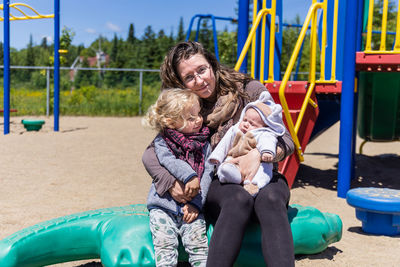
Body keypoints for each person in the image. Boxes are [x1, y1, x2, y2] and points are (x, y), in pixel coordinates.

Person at [142, 41, 295, 267]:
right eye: (189, 77)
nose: (200, 80)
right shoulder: (187, 107)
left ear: (212, 65)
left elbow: (287, 140)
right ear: (181, 82)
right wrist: (170, 180)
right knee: (238, 199)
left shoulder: (249, 90)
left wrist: (264, 154)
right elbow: (153, 152)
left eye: (202, 70)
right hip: (222, 178)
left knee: (271, 198)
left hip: (261, 173)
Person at [143, 88, 214, 267]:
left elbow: (208, 173)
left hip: (193, 208)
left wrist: (197, 203)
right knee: (165, 248)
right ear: (171, 122)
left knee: (199, 248)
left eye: (198, 114)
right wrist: (190, 176)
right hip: (163, 207)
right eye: (191, 118)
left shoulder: (204, 143)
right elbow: (169, 161)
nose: (198, 120)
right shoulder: (162, 142)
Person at [209, 91, 286, 196]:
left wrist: (267, 152)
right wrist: (217, 156)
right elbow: (224, 144)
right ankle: (232, 176)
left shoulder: (263, 133)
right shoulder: (234, 129)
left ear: (263, 126)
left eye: (252, 124)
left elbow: (268, 141)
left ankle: (255, 184)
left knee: (264, 169)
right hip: (234, 159)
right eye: (245, 120)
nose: (245, 124)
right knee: (226, 166)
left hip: (256, 165)